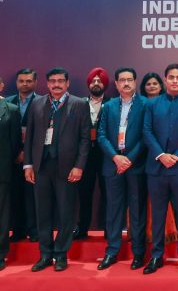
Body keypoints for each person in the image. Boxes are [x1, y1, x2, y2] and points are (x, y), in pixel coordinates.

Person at [24, 68, 91, 272]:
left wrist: (79, 166)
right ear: (47, 83)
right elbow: (30, 138)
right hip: (41, 167)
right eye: (52, 81)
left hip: (67, 168)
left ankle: (61, 254)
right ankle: (45, 254)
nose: (56, 84)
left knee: (65, 213)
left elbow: (85, 139)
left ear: (67, 83)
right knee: (42, 212)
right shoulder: (37, 103)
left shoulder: (80, 105)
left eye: (60, 81)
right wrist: (28, 164)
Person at [142, 64, 178, 274]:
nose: (175, 81)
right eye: (171, 77)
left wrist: (176, 156)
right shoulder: (152, 104)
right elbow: (147, 132)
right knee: (157, 215)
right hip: (157, 168)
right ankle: (157, 256)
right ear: (165, 80)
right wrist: (161, 155)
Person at [96, 68, 148, 270]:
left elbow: (146, 135)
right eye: (122, 80)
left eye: (129, 80)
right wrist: (116, 157)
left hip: (136, 166)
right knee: (114, 210)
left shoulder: (145, 105)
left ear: (135, 82)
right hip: (112, 164)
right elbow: (101, 135)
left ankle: (138, 253)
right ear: (116, 84)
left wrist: (129, 159)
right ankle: (112, 251)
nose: (126, 83)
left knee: (137, 211)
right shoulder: (108, 106)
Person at [140, 72, 177, 244]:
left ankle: (166, 231)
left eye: (155, 83)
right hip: (142, 155)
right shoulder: (140, 104)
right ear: (143, 87)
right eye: (148, 84)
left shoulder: (168, 103)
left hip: (166, 156)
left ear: (161, 85)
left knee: (163, 197)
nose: (152, 86)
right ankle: (143, 231)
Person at [75, 67, 110, 240]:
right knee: (84, 193)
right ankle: (82, 229)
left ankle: (109, 229)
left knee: (108, 194)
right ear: (89, 84)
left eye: (99, 80)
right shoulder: (79, 103)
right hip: (85, 155)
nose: (96, 83)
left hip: (106, 155)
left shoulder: (112, 103)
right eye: (93, 81)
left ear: (105, 84)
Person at [6, 68, 38, 242]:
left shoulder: (43, 102)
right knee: (14, 194)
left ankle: (34, 230)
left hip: (34, 158)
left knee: (33, 196)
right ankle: (17, 231)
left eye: (28, 81)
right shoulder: (7, 103)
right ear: (16, 82)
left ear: (35, 83)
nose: (25, 84)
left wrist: (26, 153)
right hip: (11, 158)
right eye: (21, 81)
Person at [0, 84, 22, 270]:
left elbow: (15, 140)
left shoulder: (12, 109)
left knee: (2, 212)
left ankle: (0, 254)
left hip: (2, 168)